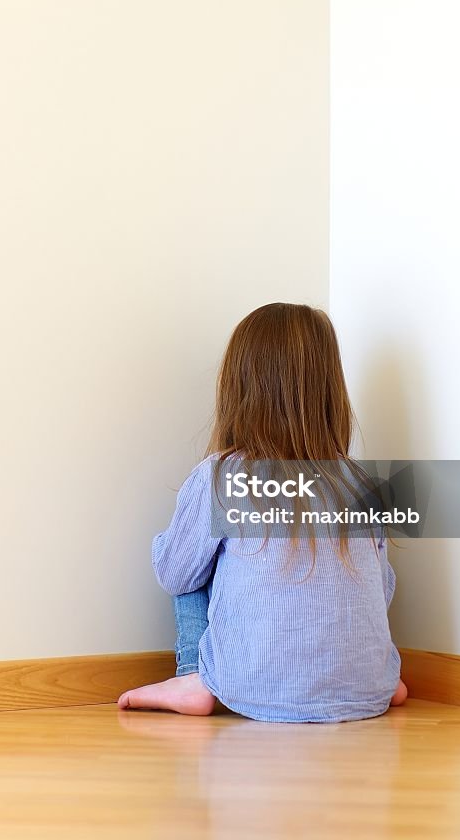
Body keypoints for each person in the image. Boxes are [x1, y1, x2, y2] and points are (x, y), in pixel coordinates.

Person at [118, 302, 408, 722]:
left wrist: (171, 541)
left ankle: (194, 678)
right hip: (370, 689)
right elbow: (381, 589)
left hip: (250, 684)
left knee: (190, 565)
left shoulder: (220, 476)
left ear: (239, 387)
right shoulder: (361, 483)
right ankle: (372, 674)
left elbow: (174, 573)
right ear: (330, 392)